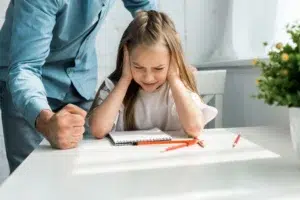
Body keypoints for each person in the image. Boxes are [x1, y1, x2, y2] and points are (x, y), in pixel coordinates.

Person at [0, 0, 157, 173]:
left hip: (80, 81)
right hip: (27, 91)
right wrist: (45, 122)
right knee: (31, 178)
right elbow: (26, 68)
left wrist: (163, 47)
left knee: (85, 174)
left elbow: (141, 4)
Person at [88, 10, 218, 139]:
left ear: (172, 60)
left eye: (158, 68)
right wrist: (125, 78)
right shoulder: (113, 88)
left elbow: (195, 128)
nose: (148, 77)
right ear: (126, 57)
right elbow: (98, 130)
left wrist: (174, 77)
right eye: (138, 67)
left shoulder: (177, 90)